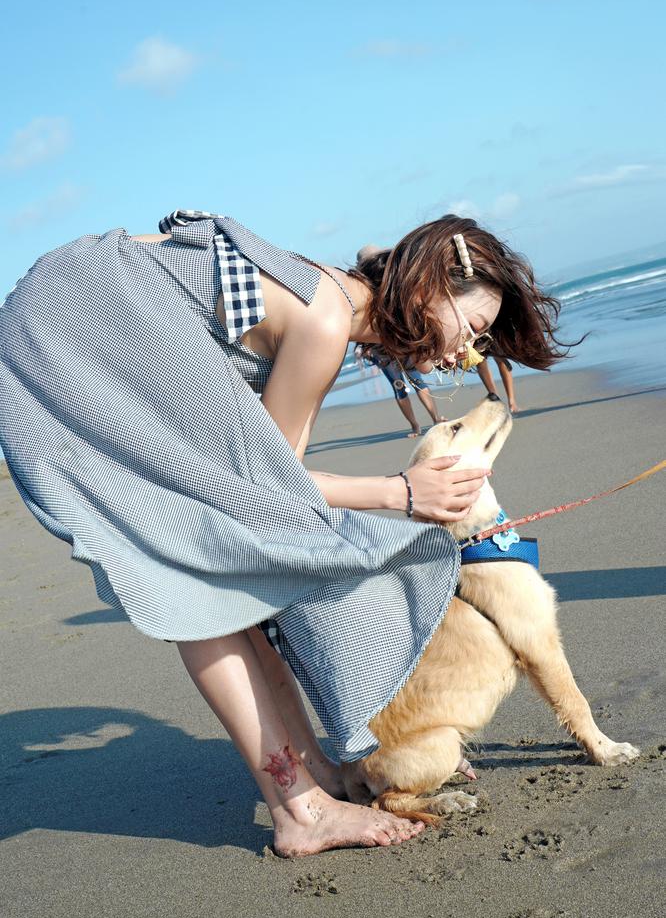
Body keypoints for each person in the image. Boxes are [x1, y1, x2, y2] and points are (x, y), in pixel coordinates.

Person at [0, 210, 564, 858]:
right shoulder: (324, 318)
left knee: (240, 556)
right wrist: (400, 493)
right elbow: (270, 489)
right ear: (430, 285)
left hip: (76, 301)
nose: (468, 352)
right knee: (191, 567)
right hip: (76, 318)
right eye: (473, 327)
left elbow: (275, 483)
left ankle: (315, 773)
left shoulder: (329, 305)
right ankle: (299, 808)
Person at [356, 341, 447, 437]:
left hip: (401, 344)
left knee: (418, 382)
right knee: (399, 388)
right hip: (381, 351)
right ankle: (414, 425)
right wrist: (365, 348)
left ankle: (436, 419)